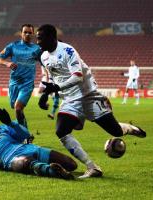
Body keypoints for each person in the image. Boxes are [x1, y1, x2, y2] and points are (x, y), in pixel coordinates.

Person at [36, 24, 146, 179]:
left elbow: (77, 76)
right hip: (69, 99)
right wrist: (46, 94)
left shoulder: (68, 51)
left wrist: (56, 87)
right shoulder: (44, 56)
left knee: (115, 131)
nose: (37, 42)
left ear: (51, 37)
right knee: (61, 131)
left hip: (87, 95)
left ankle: (130, 128)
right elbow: (54, 77)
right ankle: (92, 167)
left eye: (40, 38)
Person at [0, 24, 41, 128]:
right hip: (14, 83)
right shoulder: (13, 46)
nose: (27, 34)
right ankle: (24, 128)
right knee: (15, 108)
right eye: (25, 32)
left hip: (27, 84)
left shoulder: (37, 49)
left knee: (18, 108)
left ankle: (24, 135)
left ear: (33, 34)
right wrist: (7, 63)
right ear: (21, 33)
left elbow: (46, 62)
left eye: (30, 32)